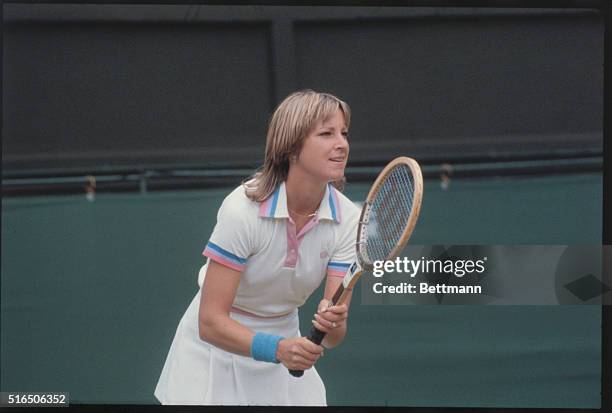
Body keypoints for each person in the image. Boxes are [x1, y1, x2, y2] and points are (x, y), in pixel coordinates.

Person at [154, 90, 360, 406]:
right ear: (292, 147)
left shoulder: (349, 220)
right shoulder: (242, 210)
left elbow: (332, 338)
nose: (342, 144)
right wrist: (277, 348)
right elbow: (210, 322)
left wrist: (334, 322)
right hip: (213, 350)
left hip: (284, 344)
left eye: (344, 133)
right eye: (326, 133)